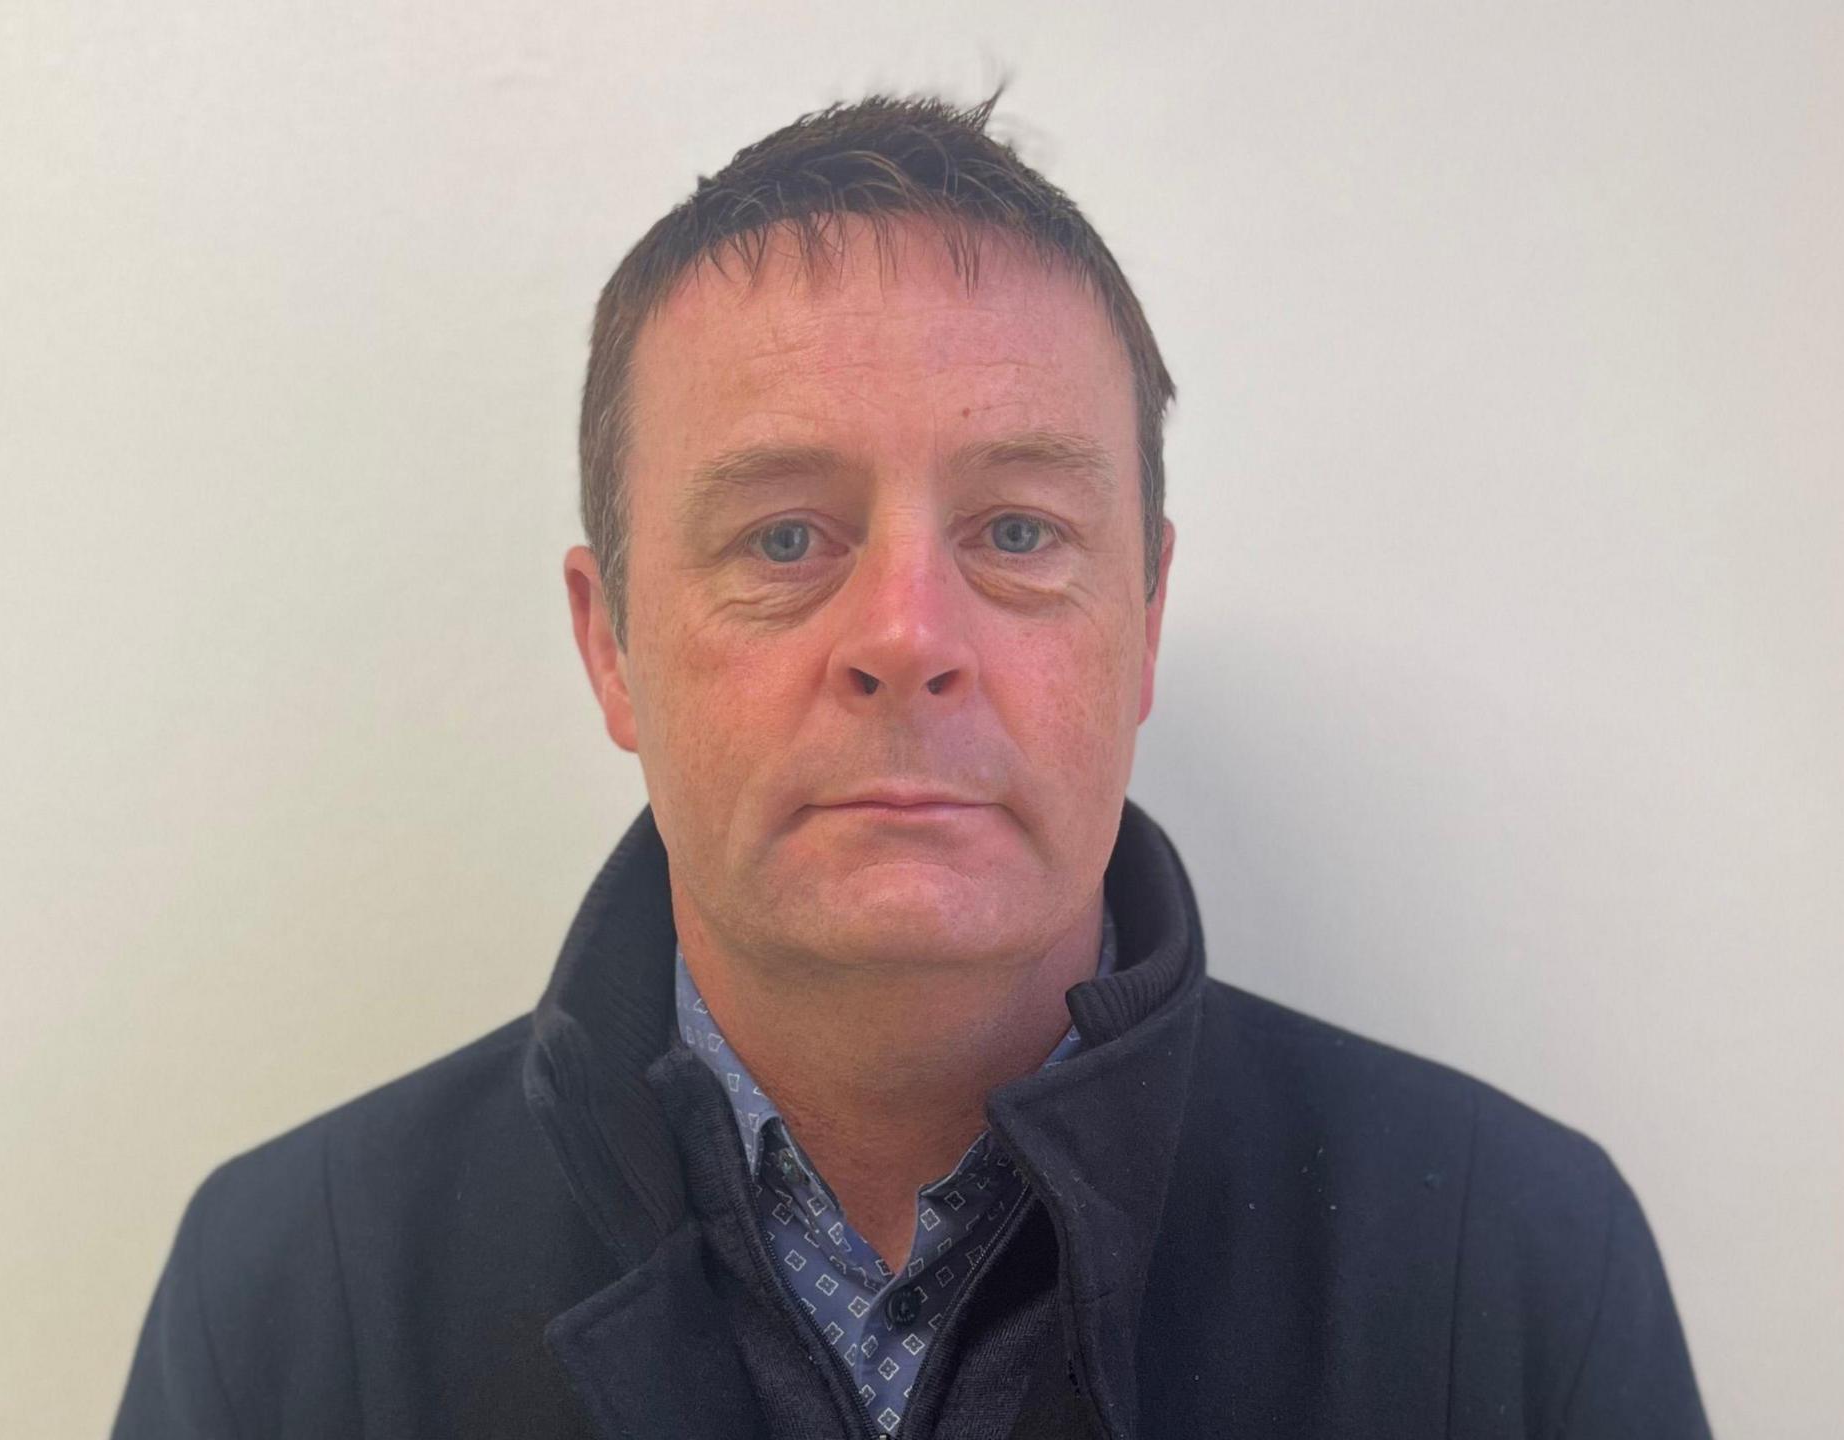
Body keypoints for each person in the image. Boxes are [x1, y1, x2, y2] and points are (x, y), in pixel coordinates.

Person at [112, 89, 1710, 1440]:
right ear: (612, 647)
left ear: (1144, 617)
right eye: (786, 535)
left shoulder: (1510, 1277)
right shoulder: (288, 1302)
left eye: (1018, 532)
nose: (904, 632)